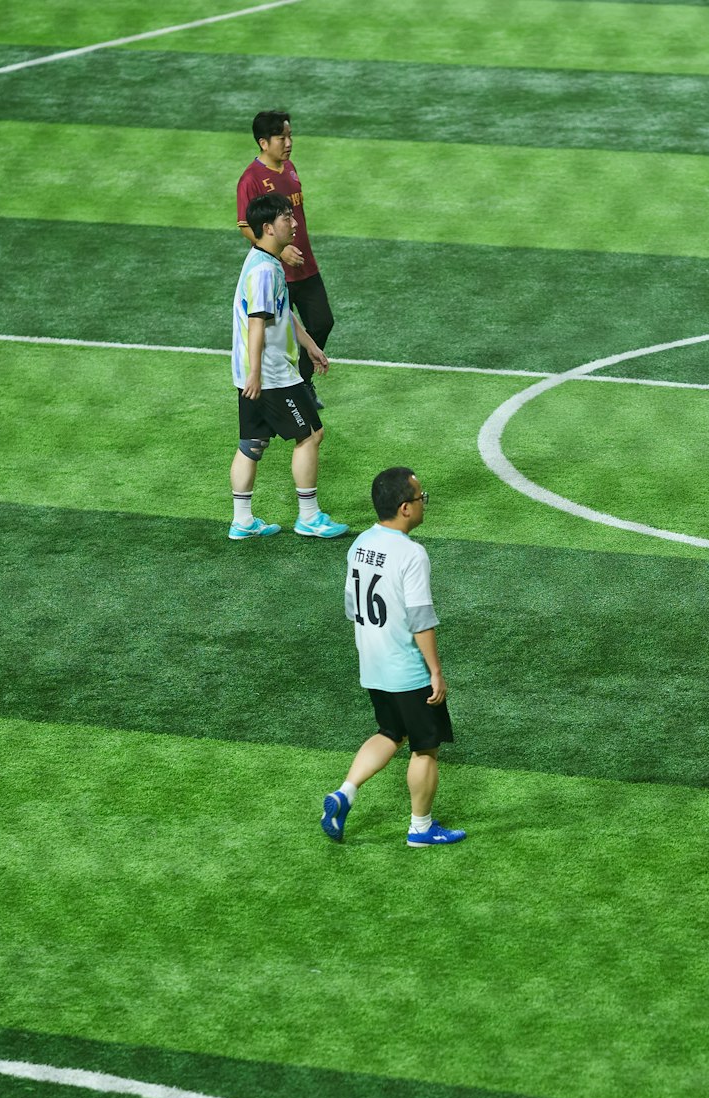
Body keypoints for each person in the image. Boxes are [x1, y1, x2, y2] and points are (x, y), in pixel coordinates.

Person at [320, 467, 467, 848]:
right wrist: (435, 671)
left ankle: (345, 793)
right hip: (407, 669)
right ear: (404, 508)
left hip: (373, 663)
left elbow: (353, 607)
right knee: (424, 747)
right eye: (421, 499)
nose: (423, 504)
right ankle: (421, 828)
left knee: (391, 732)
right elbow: (420, 619)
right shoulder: (412, 554)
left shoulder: (360, 544)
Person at [230, 192, 347, 540]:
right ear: (268, 227)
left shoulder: (262, 259)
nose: (295, 223)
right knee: (311, 434)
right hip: (271, 374)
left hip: (252, 374)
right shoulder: (265, 269)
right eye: (286, 218)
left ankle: (242, 521)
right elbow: (257, 323)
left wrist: (310, 344)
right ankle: (309, 517)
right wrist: (256, 373)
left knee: (251, 443)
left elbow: (281, 313)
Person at [236, 110, 332, 405]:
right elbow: (245, 226)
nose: (288, 142)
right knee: (272, 333)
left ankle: (303, 382)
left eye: (290, 136)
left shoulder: (289, 167)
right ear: (264, 142)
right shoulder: (250, 180)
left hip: (306, 265)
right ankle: (269, 389)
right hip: (278, 271)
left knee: (321, 322)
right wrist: (282, 251)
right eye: (282, 137)